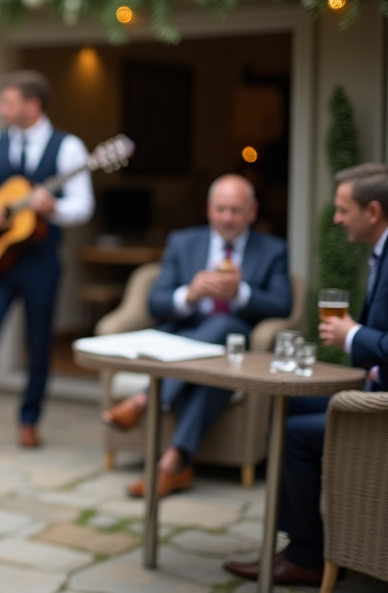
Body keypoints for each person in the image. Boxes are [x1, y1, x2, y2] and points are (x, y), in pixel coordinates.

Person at [224, 164, 388, 586]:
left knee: (294, 432)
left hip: (382, 408)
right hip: (375, 389)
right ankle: (305, 542)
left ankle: (306, 556)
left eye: (343, 209)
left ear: (373, 211)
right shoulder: (381, 253)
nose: (337, 219)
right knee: (287, 404)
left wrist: (354, 335)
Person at [103, 175, 292, 497]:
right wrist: (189, 295)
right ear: (208, 209)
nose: (227, 218)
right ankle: (174, 465)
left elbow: (282, 304)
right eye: (221, 209)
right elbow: (156, 301)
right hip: (187, 336)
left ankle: (144, 400)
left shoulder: (273, 250)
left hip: (235, 342)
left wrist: (241, 293)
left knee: (222, 326)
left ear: (252, 211)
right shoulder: (182, 242)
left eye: (235, 210)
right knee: (212, 378)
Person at [0, 70, 94, 452]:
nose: (0, 108)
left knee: (39, 341)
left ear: (33, 104)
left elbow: (83, 206)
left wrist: (54, 208)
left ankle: (29, 421)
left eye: (8, 102)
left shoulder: (68, 147)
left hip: (42, 260)